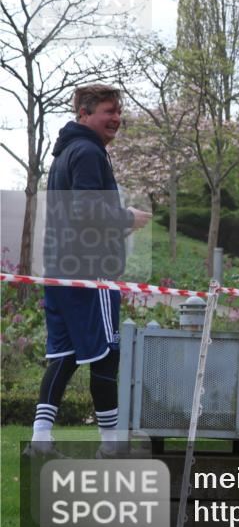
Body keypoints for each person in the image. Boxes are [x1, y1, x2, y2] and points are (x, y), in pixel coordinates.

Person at [29, 84, 152, 458]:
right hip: (88, 275)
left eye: (119, 112)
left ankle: (40, 439)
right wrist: (126, 217)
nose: (116, 118)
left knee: (64, 357)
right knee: (105, 356)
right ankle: (112, 446)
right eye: (108, 111)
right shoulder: (87, 152)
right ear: (84, 114)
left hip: (61, 274)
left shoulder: (66, 153)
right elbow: (86, 212)